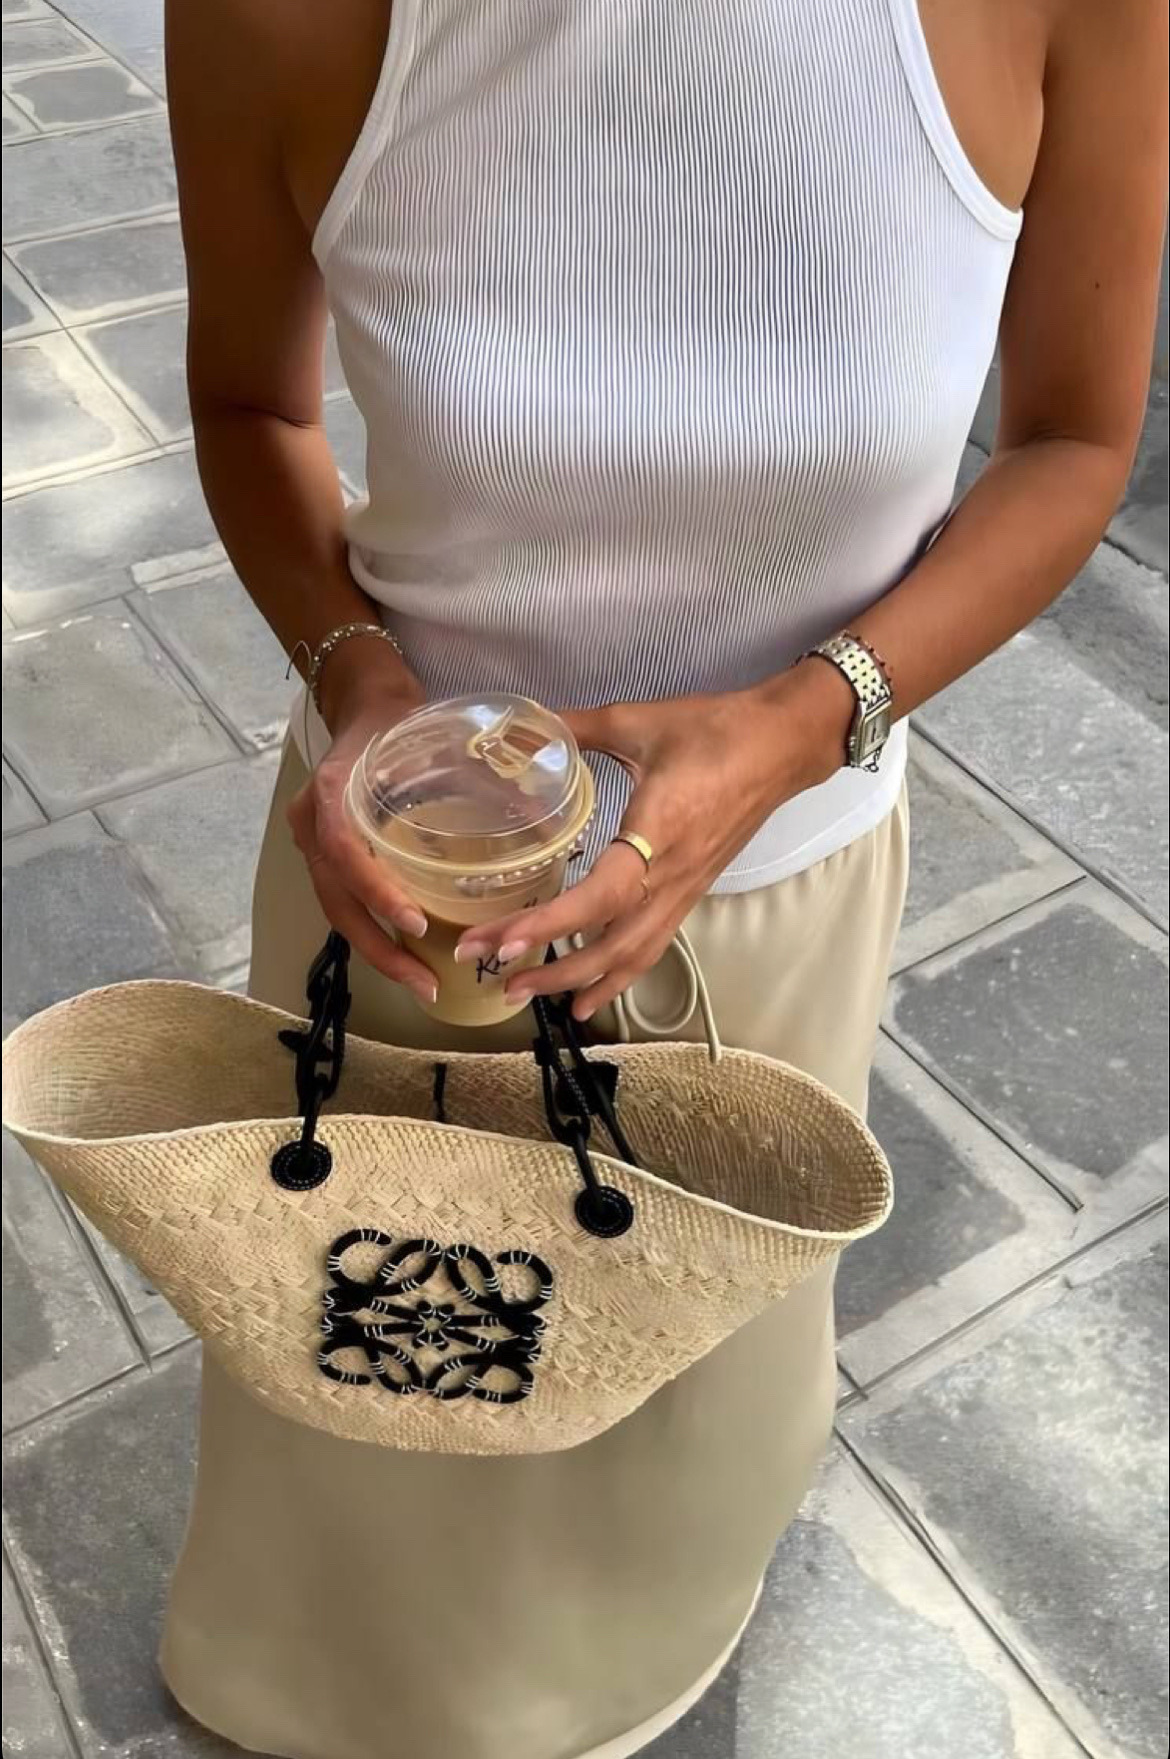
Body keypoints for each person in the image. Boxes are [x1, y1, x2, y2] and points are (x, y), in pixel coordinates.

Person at [159, 2, 1167, 1755]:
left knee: (678, 1383)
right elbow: (250, 398)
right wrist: (361, 690)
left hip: (777, 908)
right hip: (405, 899)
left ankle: (634, 1674)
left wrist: (796, 728)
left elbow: (1072, 442)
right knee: (364, 1343)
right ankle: (326, 1690)